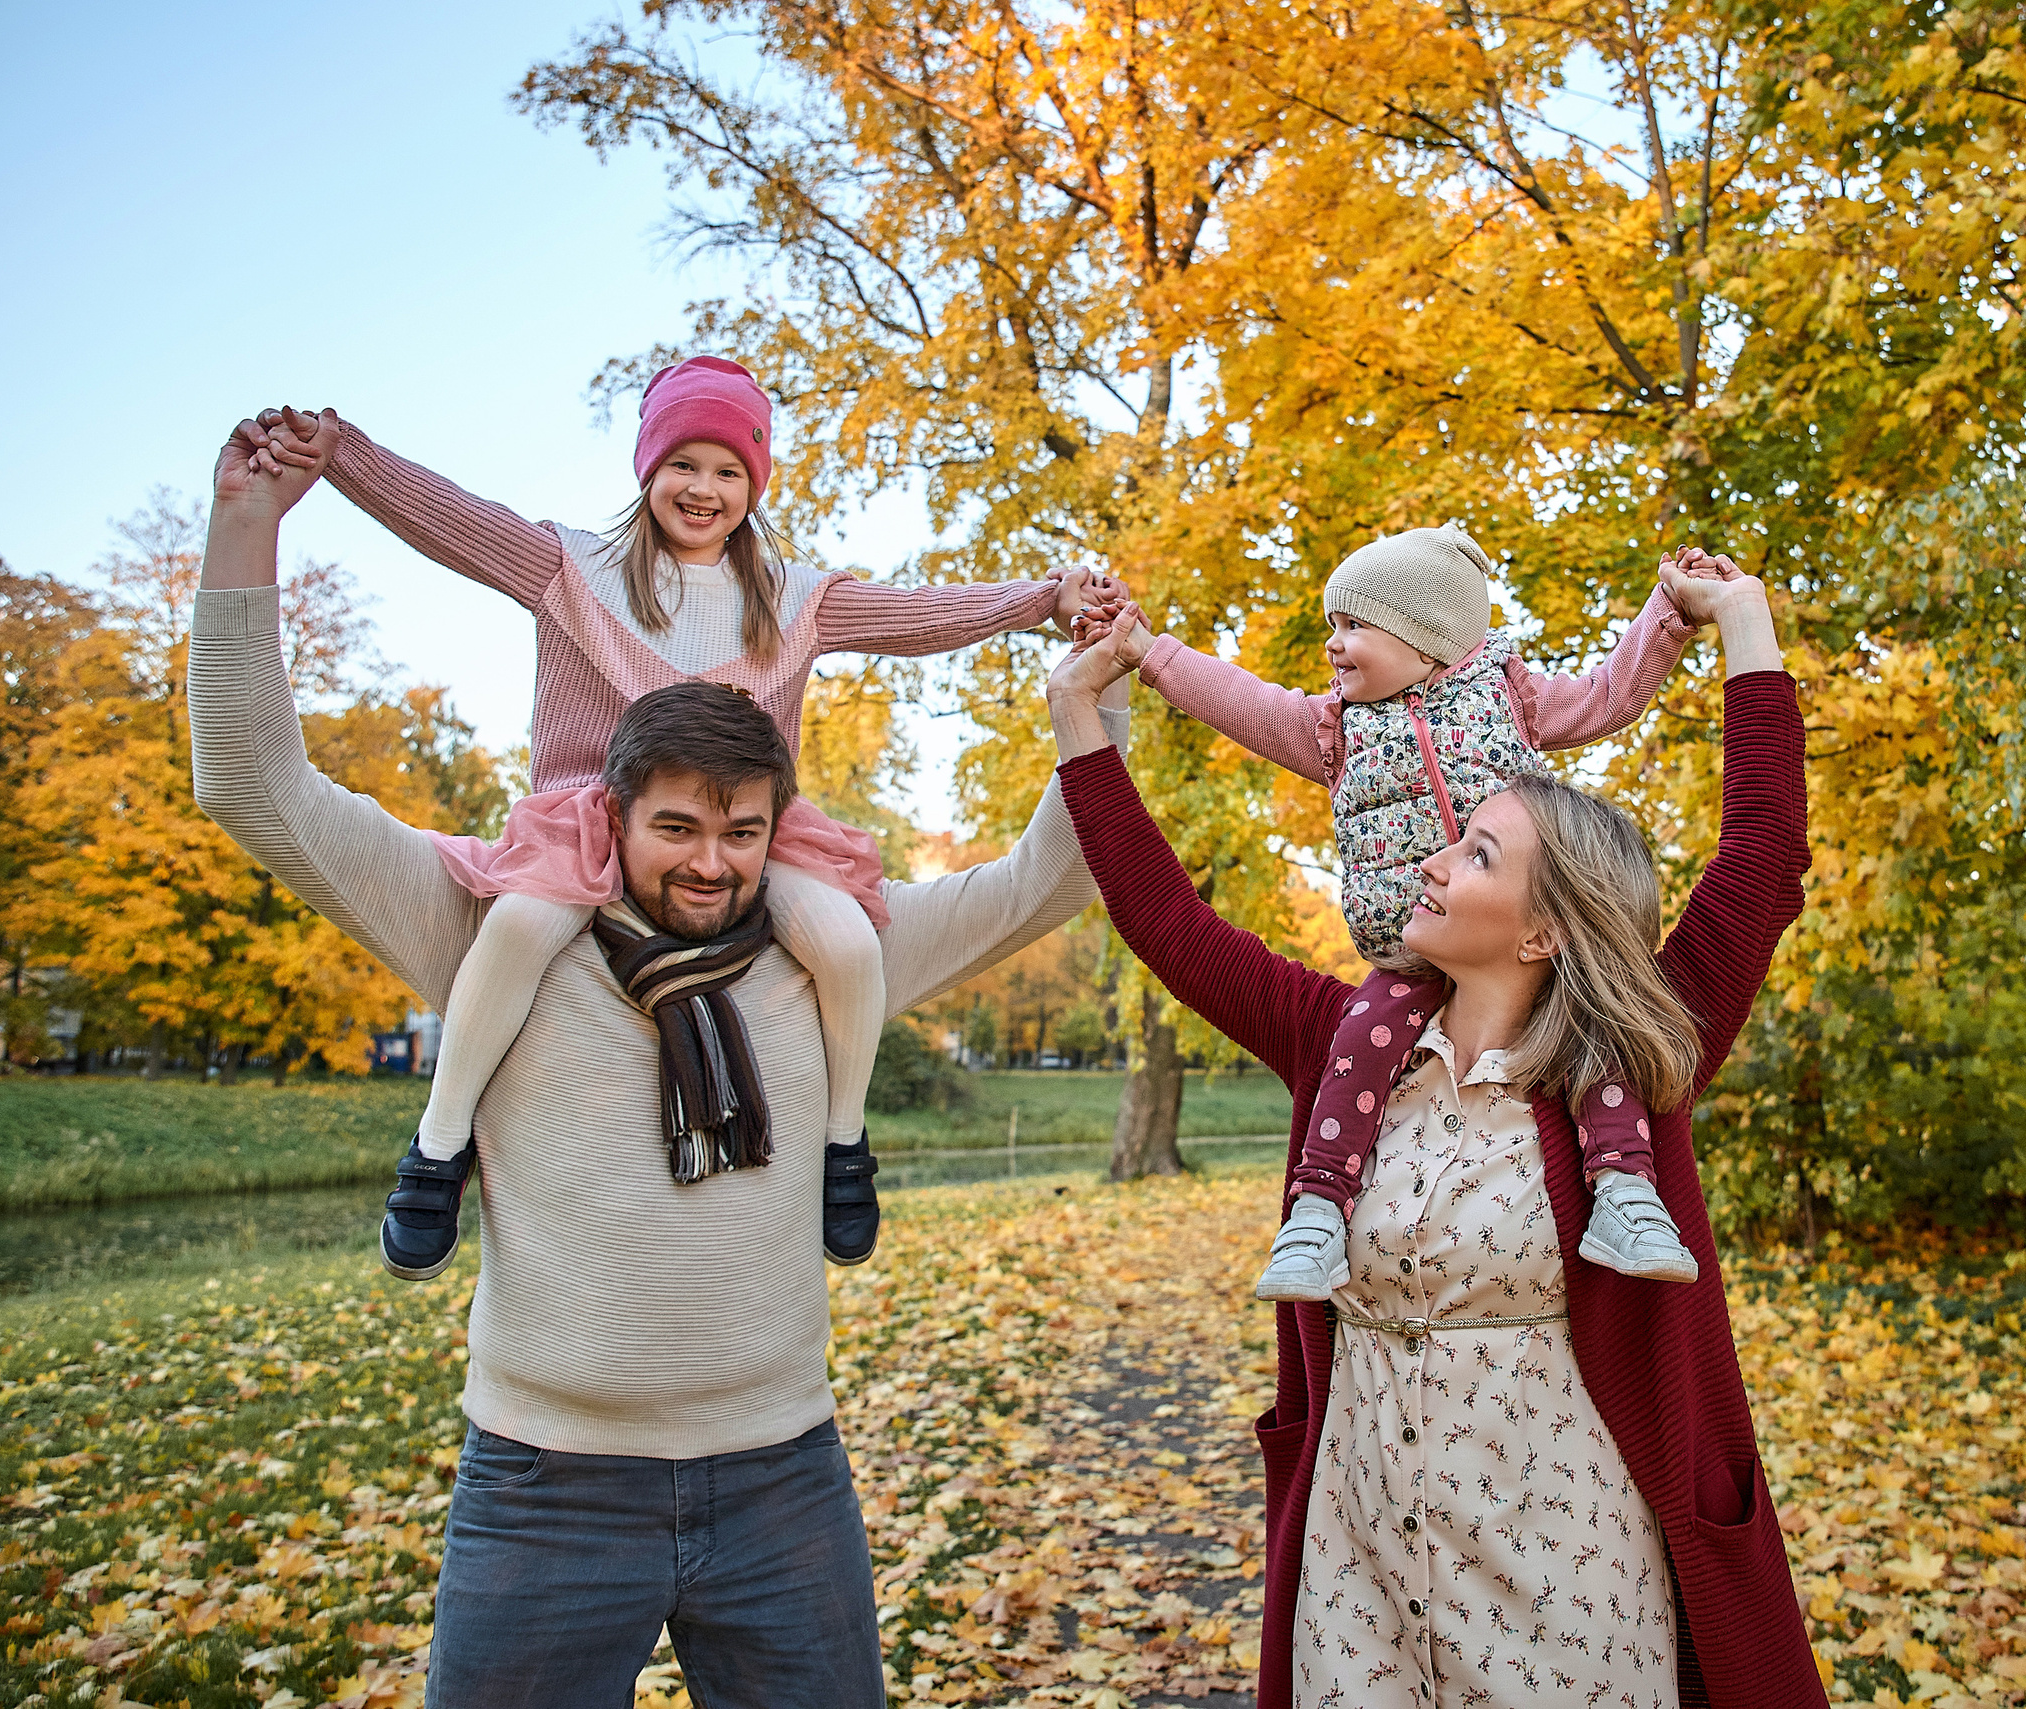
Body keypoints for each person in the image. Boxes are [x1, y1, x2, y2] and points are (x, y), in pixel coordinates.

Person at [191, 419, 1130, 1708]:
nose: (710, 862)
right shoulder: (493, 933)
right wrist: (249, 523)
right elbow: (258, 785)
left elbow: (1049, 881)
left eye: (741, 832)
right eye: (674, 826)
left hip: (784, 1483)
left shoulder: (828, 949)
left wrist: (1091, 693)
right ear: (609, 814)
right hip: (543, 1489)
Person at [1046, 565, 1822, 1709]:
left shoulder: (1634, 1060)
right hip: (1357, 1582)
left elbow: (1758, 859)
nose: (1429, 857)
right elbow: (1166, 919)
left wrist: (1743, 627)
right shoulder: (1338, 1044)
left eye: (1477, 854)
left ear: (1546, 927)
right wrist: (1079, 718)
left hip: (1564, 1585)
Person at [238, 369, 1107, 1280]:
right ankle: (440, 1142)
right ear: (647, 467)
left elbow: (921, 615)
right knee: (522, 926)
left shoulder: (795, 598)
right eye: (682, 463)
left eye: (730, 470)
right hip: (591, 816)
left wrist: (1039, 600)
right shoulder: (574, 568)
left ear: (755, 484)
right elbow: (450, 519)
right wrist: (341, 456)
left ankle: (842, 1146)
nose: (703, 489)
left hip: (744, 829)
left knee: (849, 941)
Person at [1100, 525, 1725, 1300]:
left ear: (1427, 642)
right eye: (1333, 624)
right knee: (1357, 1045)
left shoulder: (1511, 698)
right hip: (1409, 946)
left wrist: (1668, 611)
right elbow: (1244, 702)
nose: (1334, 644)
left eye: (1354, 625)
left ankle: (1626, 1194)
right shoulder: (1337, 731)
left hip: (1521, 940)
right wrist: (1151, 654)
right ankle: (1319, 1210)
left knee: (1596, 1035)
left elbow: (1608, 694)